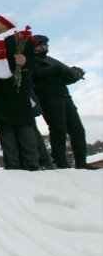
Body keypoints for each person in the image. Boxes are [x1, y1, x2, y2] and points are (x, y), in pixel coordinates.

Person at [0, 13, 40, 170]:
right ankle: (12, 163)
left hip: (16, 90)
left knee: (24, 126)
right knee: (4, 128)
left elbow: (33, 62)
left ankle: (31, 163)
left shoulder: (20, 39)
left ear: (5, 25)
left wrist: (25, 62)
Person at [31, 35, 89, 169]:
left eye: (46, 44)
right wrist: (57, 70)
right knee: (58, 129)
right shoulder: (31, 59)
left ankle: (82, 162)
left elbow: (66, 76)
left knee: (78, 130)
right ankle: (61, 161)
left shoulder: (51, 60)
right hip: (48, 97)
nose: (46, 46)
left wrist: (73, 74)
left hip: (64, 96)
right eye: (42, 44)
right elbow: (35, 73)